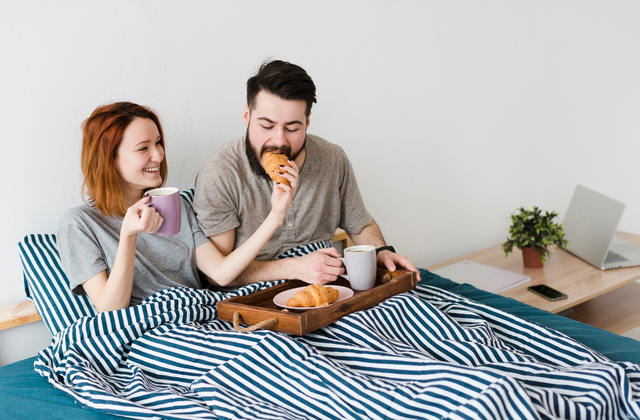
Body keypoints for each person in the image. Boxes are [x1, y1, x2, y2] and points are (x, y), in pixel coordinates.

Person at [193, 60, 420, 287]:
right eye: (266, 126)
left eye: (292, 128)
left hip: (326, 282)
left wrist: (381, 252)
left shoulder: (332, 159)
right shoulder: (219, 175)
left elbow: (360, 225)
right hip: (254, 292)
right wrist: (294, 268)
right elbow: (219, 273)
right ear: (247, 115)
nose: (279, 140)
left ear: (307, 122)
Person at [57, 102, 298, 312]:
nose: (159, 156)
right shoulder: (79, 224)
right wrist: (128, 235)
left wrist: (276, 215)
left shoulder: (177, 205)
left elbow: (221, 273)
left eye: (158, 143)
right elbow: (111, 309)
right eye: (143, 148)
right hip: (148, 330)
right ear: (109, 159)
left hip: (200, 314)